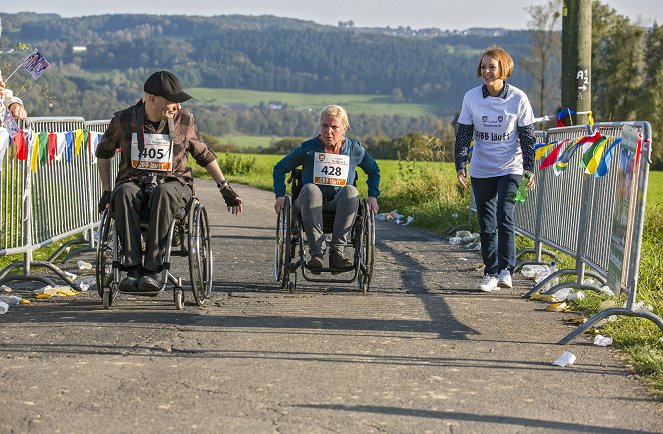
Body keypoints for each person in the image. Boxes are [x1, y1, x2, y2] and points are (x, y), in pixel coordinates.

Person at [96, 70, 243, 293]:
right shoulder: (123, 120)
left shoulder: (184, 119)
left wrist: (225, 187)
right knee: (122, 192)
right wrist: (107, 191)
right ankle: (133, 268)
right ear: (151, 98)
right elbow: (103, 152)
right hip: (134, 182)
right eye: (172, 101)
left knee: (163, 193)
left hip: (175, 184)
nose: (176, 106)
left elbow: (204, 155)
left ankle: (153, 270)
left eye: (178, 102)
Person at [454, 45, 536, 292]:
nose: (486, 71)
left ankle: (506, 271)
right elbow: (464, 134)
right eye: (483, 66)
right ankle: (490, 273)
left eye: (492, 66)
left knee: (505, 214)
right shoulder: (471, 97)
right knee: (486, 222)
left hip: (511, 166)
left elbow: (527, 136)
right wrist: (460, 165)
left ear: (504, 69)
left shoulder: (518, 98)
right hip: (482, 168)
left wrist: (530, 169)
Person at [273, 104, 380, 272]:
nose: (328, 131)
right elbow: (279, 168)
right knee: (310, 189)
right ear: (320, 126)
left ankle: (337, 253)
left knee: (351, 191)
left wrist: (373, 195)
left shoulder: (354, 150)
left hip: (340, 203)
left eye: (334, 127)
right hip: (309, 203)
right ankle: (317, 254)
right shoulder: (308, 149)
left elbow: (374, 170)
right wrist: (280, 195)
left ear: (344, 128)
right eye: (324, 126)